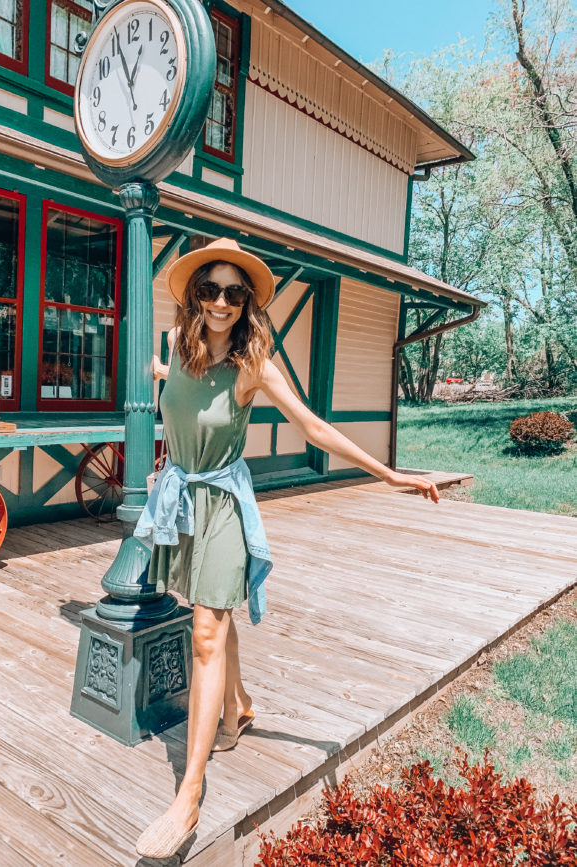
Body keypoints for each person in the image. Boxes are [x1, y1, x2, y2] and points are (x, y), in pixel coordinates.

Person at [134, 238, 439, 859]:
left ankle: (188, 791)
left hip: (220, 505)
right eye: (210, 289)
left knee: (207, 632)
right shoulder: (175, 348)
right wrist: (165, 393)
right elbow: (179, 397)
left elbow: (314, 427)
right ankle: (239, 706)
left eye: (234, 292)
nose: (221, 302)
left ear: (248, 303)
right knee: (211, 609)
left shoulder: (254, 365)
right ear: (195, 295)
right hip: (179, 498)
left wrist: (390, 474)